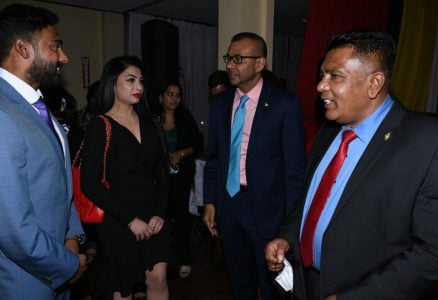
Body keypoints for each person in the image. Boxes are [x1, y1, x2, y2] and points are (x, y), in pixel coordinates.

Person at [265, 30, 438, 300]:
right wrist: (287, 237)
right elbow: (308, 199)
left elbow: (436, 251)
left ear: (374, 83)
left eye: (334, 76)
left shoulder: (431, 141)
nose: (320, 86)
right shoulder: (329, 131)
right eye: (321, 75)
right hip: (304, 283)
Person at [203, 32, 306, 300]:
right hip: (229, 204)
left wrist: (291, 225)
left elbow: (295, 170)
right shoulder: (220, 104)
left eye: (238, 59)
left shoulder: (285, 104)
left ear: (260, 63)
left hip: (268, 210)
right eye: (229, 58)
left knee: (273, 286)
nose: (230, 65)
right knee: (239, 281)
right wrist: (211, 201)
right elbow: (213, 157)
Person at [0, 3, 87, 299]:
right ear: (23, 48)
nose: (64, 57)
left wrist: (72, 237)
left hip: (58, 267)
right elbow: (12, 229)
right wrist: (67, 264)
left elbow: (62, 186)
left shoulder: (36, 105)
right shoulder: (2, 112)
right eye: (55, 47)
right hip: (26, 281)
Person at [80, 56, 171, 299]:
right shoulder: (101, 125)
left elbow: (162, 171)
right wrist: (129, 220)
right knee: (123, 287)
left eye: (141, 81)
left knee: (159, 278)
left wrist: (160, 212)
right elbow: (89, 183)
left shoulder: (150, 122)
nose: (138, 87)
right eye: (130, 80)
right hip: (118, 218)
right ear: (112, 84)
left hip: (153, 214)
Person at [151, 82, 202, 278]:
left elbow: (198, 143)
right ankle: (163, 260)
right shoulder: (152, 118)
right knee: (160, 219)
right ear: (161, 96)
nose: (174, 99)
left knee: (181, 219)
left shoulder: (185, 116)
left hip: (180, 176)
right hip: (158, 178)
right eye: (170, 94)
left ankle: (184, 259)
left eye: (177, 95)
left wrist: (182, 153)